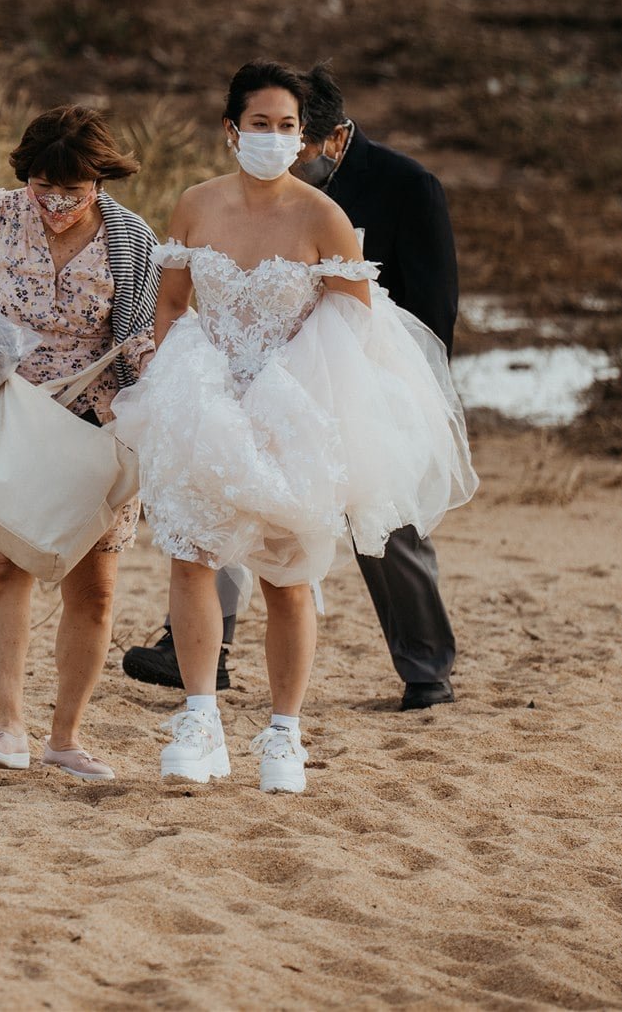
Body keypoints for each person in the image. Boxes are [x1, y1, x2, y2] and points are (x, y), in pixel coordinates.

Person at [110, 62, 475, 795]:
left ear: (303, 136)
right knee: (192, 556)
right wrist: (168, 379)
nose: (273, 137)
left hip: (289, 408)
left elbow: (357, 318)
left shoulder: (322, 217)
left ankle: (283, 732)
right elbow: (173, 302)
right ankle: (201, 717)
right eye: (259, 124)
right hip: (208, 403)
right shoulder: (195, 206)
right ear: (230, 129)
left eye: (286, 127)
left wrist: (305, 391)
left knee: (287, 577)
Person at [0, 105, 158, 783]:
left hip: (97, 427)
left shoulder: (131, 238)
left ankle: (67, 735)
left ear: (100, 180)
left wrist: (153, 419)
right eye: (45, 188)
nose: (58, 204)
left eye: (75, 191)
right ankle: (9, 724)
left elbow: (143, 339)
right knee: (7, 565)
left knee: (94, 588)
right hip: (14, 418)